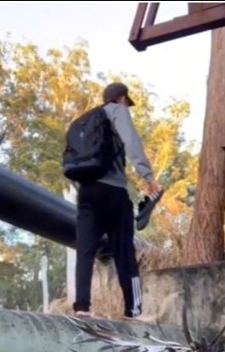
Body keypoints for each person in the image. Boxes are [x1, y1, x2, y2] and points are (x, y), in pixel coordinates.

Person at [72, 82, 162, 322]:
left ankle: (82, 307)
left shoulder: (83, 121)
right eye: (126, 102)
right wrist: (148, 178)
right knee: (124, 251)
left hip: (86, 192)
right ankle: (134, 311)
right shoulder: (117, 111)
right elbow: (132, 143)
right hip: (113, 191)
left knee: (85, 250)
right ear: (122, 99)